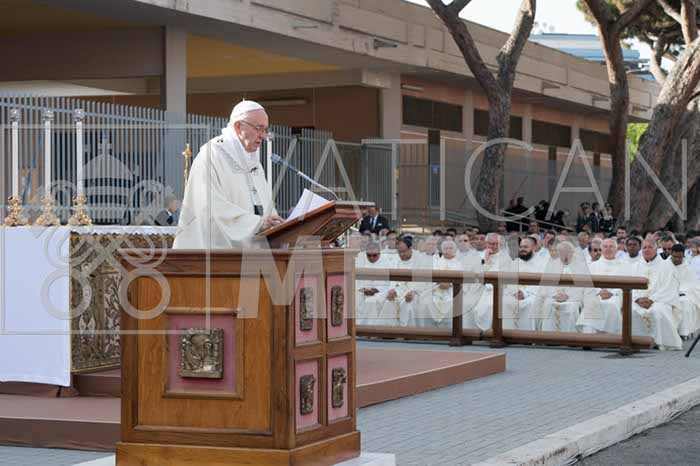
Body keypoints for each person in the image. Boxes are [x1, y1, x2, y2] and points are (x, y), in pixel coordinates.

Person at [173, 100, 284, 248]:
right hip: (216, 254)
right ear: (238, 126)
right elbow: (209, 207)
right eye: (259, 128)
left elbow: (266, 206)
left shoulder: (253, 162)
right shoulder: (212, 155)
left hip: (254, 252)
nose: (263, 136)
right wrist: (256, 224)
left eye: (265, 130)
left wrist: (275, 223)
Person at [630, 239, 682, 350]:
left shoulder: (666, 266)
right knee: (630, 310)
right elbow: (630, 286)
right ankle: (635, 341)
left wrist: (652, 299)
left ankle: (659, 341)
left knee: (658, 311)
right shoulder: (634, 267)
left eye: (650, 247)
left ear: (656, 249)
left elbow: (669, 288)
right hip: (638, 301)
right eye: (644, 247)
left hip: (659, 300)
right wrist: (638, 299)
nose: (647, 250)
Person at [535, 241, 587, 333]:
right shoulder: (552, 265)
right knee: (547, 306)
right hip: (554, 297)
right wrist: (555, 294)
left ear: (572, 253)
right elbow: (545, 285)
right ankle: (548, 337)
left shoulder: (581, 266)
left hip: (573, 299)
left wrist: (568, 295)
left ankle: (570, 337)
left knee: (570, 308)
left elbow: (583, 287)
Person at [578, 238, 626, 334]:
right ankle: (590, 337)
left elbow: (626, 283)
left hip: (615, 296)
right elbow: (588, 285)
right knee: (591, 304)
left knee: (611, 305)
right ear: (602, 249)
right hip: (596, 295)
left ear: (616, 250)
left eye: (611, 246)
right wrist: (598, 292)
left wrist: (611, 292)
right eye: (605, 247)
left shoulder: (624, 266)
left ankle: (611, 339)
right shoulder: (592, 266)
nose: (608, 249)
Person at [473, 233, 516, 331]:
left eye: (497, 244)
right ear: (486, 243)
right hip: (479, 288)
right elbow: (475, 274)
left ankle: (493, 332)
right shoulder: (479, 256)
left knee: (491, 305)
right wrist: (485, 260)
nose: (494, 246)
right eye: (491, 243)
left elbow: (506, 276)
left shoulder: (505, 258)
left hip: (497, 288)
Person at [419, 240, 463, 328]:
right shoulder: (436, 261)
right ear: (442, 250)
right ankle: (429, 331)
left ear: (454, 250)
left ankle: (449, 330)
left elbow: (461, 278)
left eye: (450, 248)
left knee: (454, 303)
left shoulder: (458, 263)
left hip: (452, 289)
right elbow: (431, 274)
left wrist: (450, 284)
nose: (448, 250)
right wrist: (440, 281)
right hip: (435, 287)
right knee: (425, 301)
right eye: (445, 248)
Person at [381, 238, 421, 327]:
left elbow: (423, 283)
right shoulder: (394, 262)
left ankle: (409, 332)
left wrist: (414, 291)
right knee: (388, 303)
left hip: (413, 292)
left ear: (410, 249)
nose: (402, 254)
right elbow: (389, 280)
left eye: (404, 251)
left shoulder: (419, 261)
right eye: (399, 252)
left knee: (409, 306)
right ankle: (391, 332)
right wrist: (391, 290)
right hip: (397, 292)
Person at [505, 237, 540, 331]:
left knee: (529, 304)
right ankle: (508, 334)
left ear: (533, 248)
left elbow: (542, 283)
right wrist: (515, 292)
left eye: (525, 247)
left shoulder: (541, 262)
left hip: (533, 295)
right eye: (521, 247)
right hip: (515, 294)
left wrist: (525, 293)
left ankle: (528, 335)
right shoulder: (515, 262)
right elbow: (509, 282)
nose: (522, 249)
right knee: (504, 301)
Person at [355, 242, 392, 326]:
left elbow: (388, 283)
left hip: (380, 292)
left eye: (374, 255)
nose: (371, 258)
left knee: (371, 302)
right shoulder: (360, 262)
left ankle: (370, 327)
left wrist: (375, 290)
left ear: (379, 253)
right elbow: (356, 281)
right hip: (362, 291)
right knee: (355, 299)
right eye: (369, 255)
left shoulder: (386, 263)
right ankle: (357, 327)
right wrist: (363, 289)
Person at [669, 244, 700, 338]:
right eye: (675, 257)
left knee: (684, 302)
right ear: (671, 254)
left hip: (684, 295)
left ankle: (683, 332)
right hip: (667, 294)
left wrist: (682, 291)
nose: (677, 259)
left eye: (680, 257)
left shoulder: (688, 268)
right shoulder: (664, 266)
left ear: (683, 256)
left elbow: (694, 286)